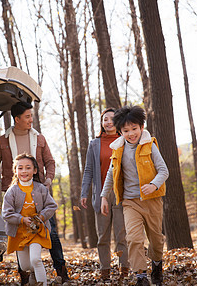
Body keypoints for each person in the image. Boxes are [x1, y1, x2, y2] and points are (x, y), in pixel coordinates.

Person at [0, 101, 70, 283]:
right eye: (27, 116)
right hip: (16, 192)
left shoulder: (39, 138)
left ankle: (61, 272)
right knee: (19, 233)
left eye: (31, 116)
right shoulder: (3, 141)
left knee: (51, 234)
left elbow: (50, 162)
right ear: (17, 119)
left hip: (39, 191)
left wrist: (48, 179)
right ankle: (25, 276)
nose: (31, 120)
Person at [100, 105, 169, 286]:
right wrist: (104, 196)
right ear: (120, 131)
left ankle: (156, 263)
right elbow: (110, 174)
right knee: (133, 238)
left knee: (156, 239)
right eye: (126, 130)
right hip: (130, 202)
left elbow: (164, 171)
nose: (131, 134)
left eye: (134, 129)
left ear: (141, 127)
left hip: (152, 200)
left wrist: (153, 185)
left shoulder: (150, 145)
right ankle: (140, 276)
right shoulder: (118, 150)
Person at [80, 108, 129, 281]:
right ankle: (105, 270)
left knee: (122, 234)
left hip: (122, 193)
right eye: (105, 119)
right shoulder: (95, 144)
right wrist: (84, 192)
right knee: (103, 236)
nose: (108, 122)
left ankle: (124, 269)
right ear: (101, 123)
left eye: (112, 119)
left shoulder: (125, 140)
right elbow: (88, 170)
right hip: (101, 194)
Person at [2, 153, 57, 286]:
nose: (24, 171)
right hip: (19, 232)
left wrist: (41, 217)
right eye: (20, 168)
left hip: (37, 231)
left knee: (36, 260)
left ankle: (42, 283)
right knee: (26, 265)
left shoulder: (41, 188)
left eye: (28, 167)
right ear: (15, 171)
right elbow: (6, 213)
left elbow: (51, 205)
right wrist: (21, 219)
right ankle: (34, 276)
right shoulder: (12, 191)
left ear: (35, 170)